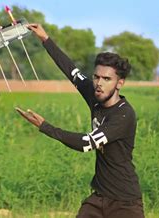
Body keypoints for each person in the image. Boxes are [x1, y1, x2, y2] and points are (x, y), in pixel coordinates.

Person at [16, 23, 144, 218]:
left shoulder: (124, 115)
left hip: (125, 204)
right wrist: (45, 39)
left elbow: (87, 143)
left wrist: (46, 127)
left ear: (120, 83)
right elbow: (71, 70)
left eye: (107, 79)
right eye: (96, 77)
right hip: (98, 199)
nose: (99, 83)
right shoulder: (95, 95)